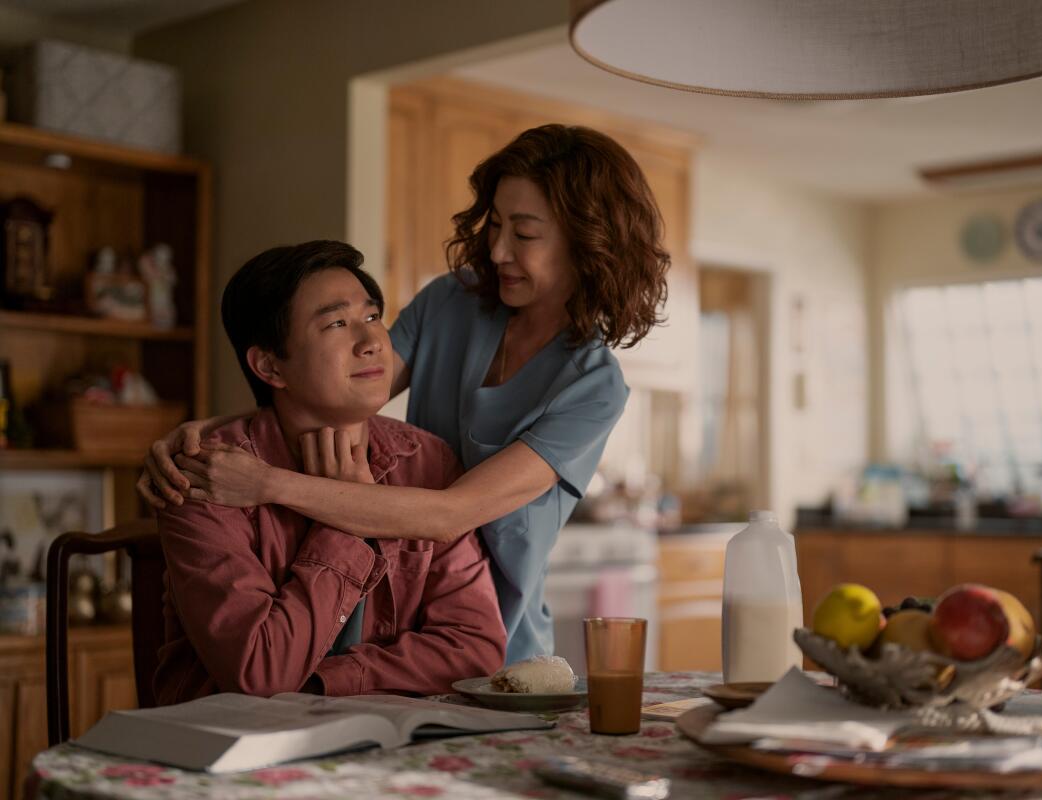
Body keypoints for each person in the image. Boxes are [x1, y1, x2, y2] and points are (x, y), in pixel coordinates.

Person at [141, 124, 669, 664]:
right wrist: (215, 434)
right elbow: (338, 387)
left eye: (525, 234)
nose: (499, 249)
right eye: (496, 224)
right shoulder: (453, 301)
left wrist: (267, 483)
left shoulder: (592, 387)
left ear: (588, 243)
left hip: (492, 648)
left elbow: (449, 515)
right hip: (392, 612)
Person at [154, 241, 506, 704]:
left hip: (386, 749)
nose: (372, 342)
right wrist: (346, 528)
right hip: (239, 755)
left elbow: (476, 650)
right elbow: (260, 672)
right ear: (269, 366)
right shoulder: (208, 479)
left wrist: (324, 682)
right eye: (337, 323)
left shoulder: (426, 462)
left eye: (373, 317)